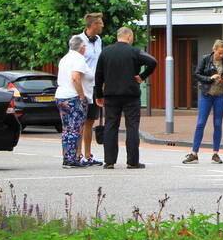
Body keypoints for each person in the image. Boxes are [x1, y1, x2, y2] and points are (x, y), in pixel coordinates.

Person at [93, 27, 157, 169]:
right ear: (128, 37)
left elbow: (98, 75)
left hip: (111, 95)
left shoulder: (106, 52)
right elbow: (153, 61)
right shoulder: (134, 51)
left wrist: (99, 94)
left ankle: (109, 161)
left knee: (111, 126)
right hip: (131, 95)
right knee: (132, 127)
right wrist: (142, 76)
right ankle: (132, 161)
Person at [183, 39, 223, 164]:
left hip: (220, 96)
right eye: (220, 53)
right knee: (201, 123)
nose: (222, 56)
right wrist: (210, 78)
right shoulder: (205, 59)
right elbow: (196, 74)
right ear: (214, 50)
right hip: (207, 95)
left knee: (217, 124)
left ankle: (215, 154)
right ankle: (194, 153)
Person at [55, 35, 92, 169]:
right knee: (75, 128)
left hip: (60, 96)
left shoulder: (64, 58)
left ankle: (66, 156)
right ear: (82, 47)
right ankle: (72, 159)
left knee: (66, 129)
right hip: (72, 97)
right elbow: (75, 77)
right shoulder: (79, 58)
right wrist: (81, 95)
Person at [76, 12, 105, 166]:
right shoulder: (78, 40)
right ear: (92, 25)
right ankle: (78, 154)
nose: (102, 25)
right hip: (82, 87)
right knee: (80, 120)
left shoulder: (99, 40)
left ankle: (88, 154)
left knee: (90, 121)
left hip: (94, 86)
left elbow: (99, 63)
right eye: (100, 23)